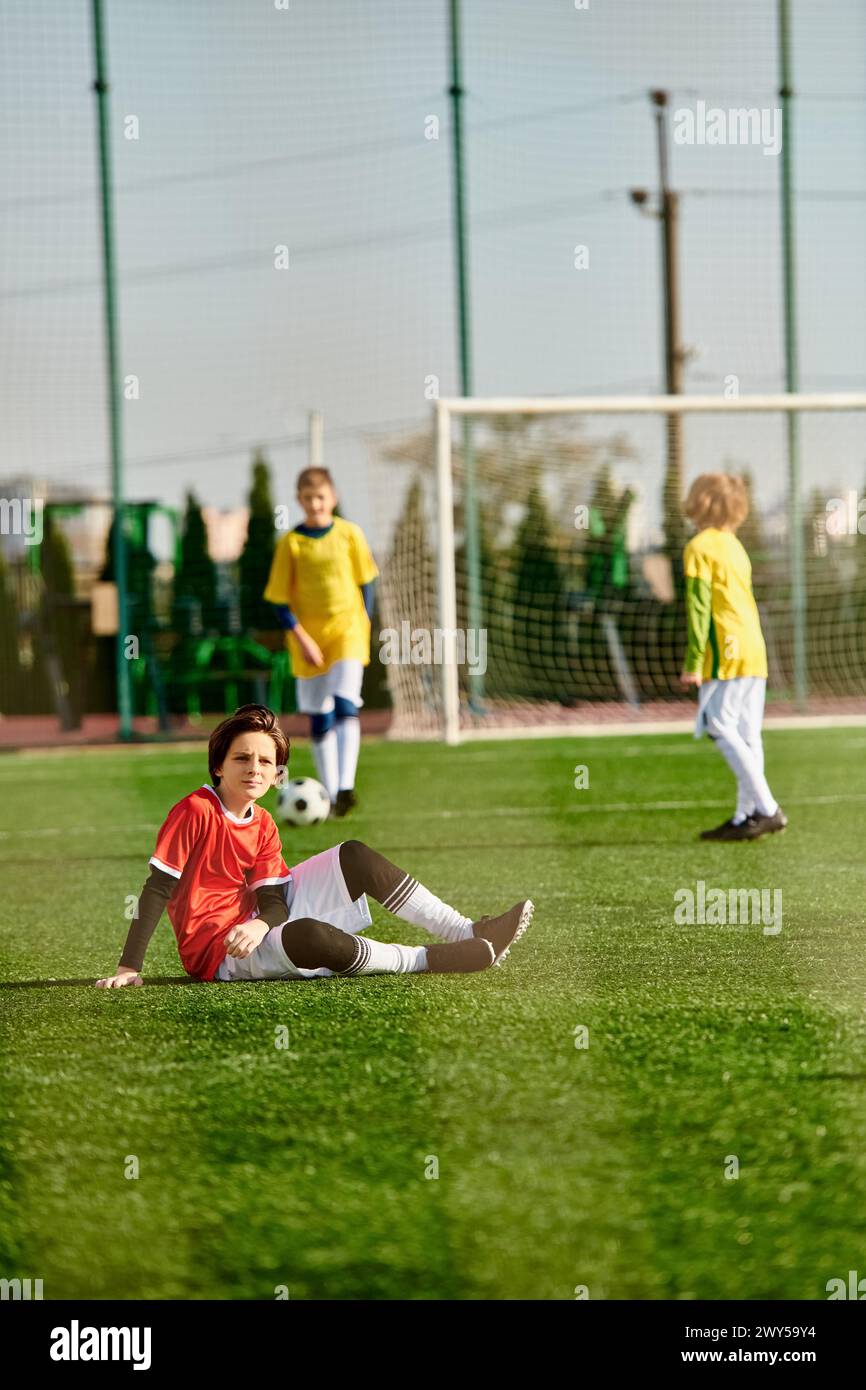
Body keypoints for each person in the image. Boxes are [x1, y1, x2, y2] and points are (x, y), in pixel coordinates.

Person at [95, 704, 533, 988]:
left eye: (265, 761)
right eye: (242, 759)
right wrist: (130, 967)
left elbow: (273, 901)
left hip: (256, 923)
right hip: (220, 951)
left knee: (354, 855)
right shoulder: (194, 811)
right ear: (218, 766)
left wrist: (262, 924)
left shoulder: (263, 821)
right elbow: (156, 889)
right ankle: (431, 959)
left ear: (277, 774)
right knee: (309, 937)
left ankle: (467, 931)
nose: (255, 769)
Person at [264, 467, 377, 817]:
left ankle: (345, 786)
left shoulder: (349, 534)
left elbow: (367, 582)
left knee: (346, 703)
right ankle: (329, 795)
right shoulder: (291, 544)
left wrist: (364, 623)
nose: (316, 504)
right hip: (308, 639)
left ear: (333, 498)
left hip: (348, 631)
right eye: (308, 498)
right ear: (299, 501)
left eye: (321, 497)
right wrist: (303, 639)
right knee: (320, 716)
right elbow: (279, 601)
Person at [680, 473, 787, 842]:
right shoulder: (734, 545)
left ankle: (768, 809)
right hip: (754, 646)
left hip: (727, 647)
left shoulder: (699, 547)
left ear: (701, 502)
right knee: (747, 732)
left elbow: (699, 608)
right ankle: (746, 816)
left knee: (719, 726)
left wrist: (694, 660)